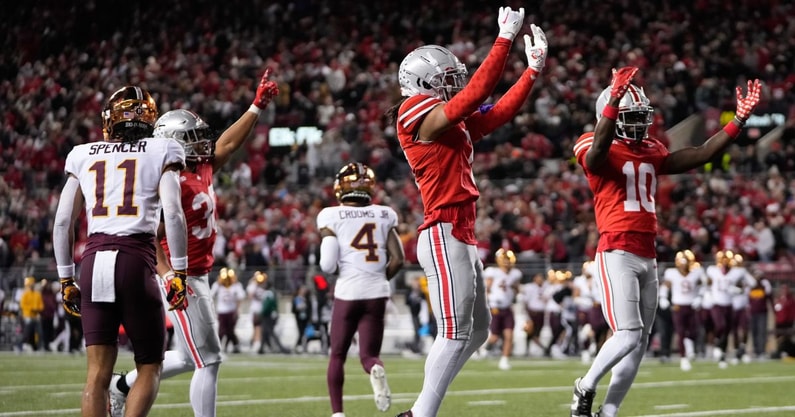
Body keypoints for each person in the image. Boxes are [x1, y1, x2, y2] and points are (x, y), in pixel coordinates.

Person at [571, 67, 762, 417]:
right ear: (609, 115)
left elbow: (702, 153)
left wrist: (738, 121)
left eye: (641, 116)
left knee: (639, 342)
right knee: (628, 334)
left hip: (648, 253)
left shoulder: (651, 149)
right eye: (631, 116)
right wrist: (614, 99)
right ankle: (584, 386)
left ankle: (609, 412)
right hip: (616, 249)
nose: (640, 124)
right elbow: (597, 154)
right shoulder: (592, 142)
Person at [385, 6, 548, 417]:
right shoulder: (413, 112)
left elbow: (497, 112)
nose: (453, 86)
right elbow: (476, 94)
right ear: (420, 83)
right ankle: (421, 414)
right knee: (456, 332)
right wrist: (504, 40)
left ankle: (420, 410)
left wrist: (530, 72)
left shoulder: (447, 121)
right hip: (442, 229)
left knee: (477, 331)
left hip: (459, 230)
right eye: (445, 80)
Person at [108, 69, 279, 417]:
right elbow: (148, 237)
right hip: (179, 276)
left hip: (197, 273)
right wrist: (171, 275)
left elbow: (227, 143)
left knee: (191, 357)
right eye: (193, 138)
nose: (202, 143)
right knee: (210, 358)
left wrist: (257, 106)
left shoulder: (200, 167)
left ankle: (121, 385)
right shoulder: (167, 179)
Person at [53, 85, 189, 417]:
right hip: (135, 258)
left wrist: (65, 280)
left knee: (96, 375)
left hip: (93, 258)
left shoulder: (83, 153)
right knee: (149, 364)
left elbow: (62, 222)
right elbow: (172, 212)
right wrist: (179, 272)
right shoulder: (163, 149)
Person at [317, 162, 405, 417]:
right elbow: (398, 259)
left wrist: (340, 273)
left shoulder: (330, 215)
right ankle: (375, 368)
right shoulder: (384, 214)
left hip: (348, 291)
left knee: (337, 355)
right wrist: (378, 278)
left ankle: (338, 414)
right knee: (369, 355)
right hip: (377, 291)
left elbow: (327, 262)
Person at [659, 250, 705, 371]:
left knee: (694, 331)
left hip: (692, 305)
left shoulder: (696, 272)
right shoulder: (672, 273)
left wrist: (700, 297)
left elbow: (703, 286)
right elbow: (665, 286)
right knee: (680, 332)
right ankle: (683, 358)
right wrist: (663, 298)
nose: (684, 265)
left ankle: (689, 348)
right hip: (678, 306)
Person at [482, 248, 522, 370]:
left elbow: (516, 289)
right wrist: (490, 302)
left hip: (507, 307)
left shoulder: (515, 274)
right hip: (495, 307)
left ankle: (504, 360)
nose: (507, 262)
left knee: (509, 335)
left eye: (508, 260)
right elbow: (486, 289)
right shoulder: (493, 272)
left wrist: (516, 291)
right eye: (504, 260)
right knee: (494, 336)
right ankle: (486, 348)